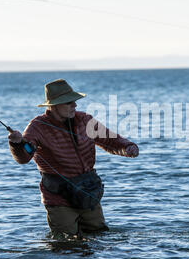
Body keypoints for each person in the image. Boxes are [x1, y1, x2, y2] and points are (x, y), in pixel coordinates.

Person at [8, 79, 139, 238]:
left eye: (75, 102)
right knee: (67, 242)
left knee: (99, 237)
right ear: (55, 105)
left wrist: (128, 147)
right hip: (58, 197)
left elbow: (110, 140)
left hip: (88, 192)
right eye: (69, 102)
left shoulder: (84, 120)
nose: (75, 106)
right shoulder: (37, 127)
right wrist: (16, 144)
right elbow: (23, 157)